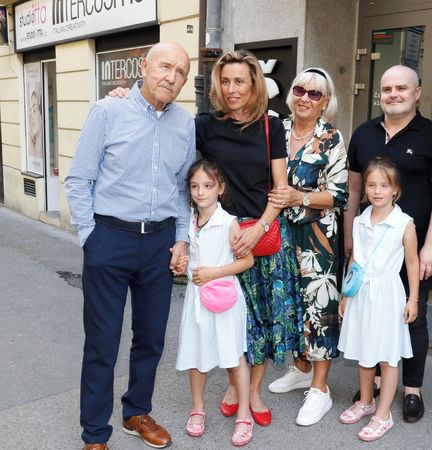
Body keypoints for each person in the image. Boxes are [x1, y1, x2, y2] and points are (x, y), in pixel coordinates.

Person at [65, 42, 195, 450]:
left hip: (159, 244)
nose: (171, 77)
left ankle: (136, 412)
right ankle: (94, 433)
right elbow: (78, 179)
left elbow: (182, 190)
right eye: (165, 66)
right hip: (110, 238)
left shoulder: (185, 123)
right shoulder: (107, 111)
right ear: (144, 66)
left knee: (151, 337)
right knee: (102, 342)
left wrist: (181, 239)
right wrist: (90, 238)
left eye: (181, 72)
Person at [196, 49, 303, 427]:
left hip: (264, 232)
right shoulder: (206, 126)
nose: (232, 88)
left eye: (239, 80)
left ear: (254, 83)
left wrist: (257, 227)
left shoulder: (271, 126)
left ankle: (253, 391)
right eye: (225, 81)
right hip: (222, 236)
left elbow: (281, 189)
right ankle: (233, 384)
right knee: (229, 318)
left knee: (265, 320)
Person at [344, 65, 432, 422]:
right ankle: (376, 382)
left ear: (417, 93)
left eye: (401, 88)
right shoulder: (363, 134)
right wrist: (349, 237)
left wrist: (431, 244)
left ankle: (412, 389)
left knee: (413, 317)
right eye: (387, 88)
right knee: (371, 312)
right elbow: (354, 190)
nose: (393, 94)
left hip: (412, 248)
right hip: (371, 245)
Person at [266, 68, 348, 426]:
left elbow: (339, 194)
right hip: (279, 232)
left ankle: (320, 388)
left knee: (319, 306)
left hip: (317, 237)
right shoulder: (276, 129)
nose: (305, 98)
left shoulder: (330, 137)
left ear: (325, 102)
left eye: (315, 94)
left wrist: (299, 197)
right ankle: (300, 368)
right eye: (300, 90)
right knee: (291, 302)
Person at [338, 156, 419, 442]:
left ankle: (383, 415)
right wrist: (346, 295)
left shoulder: (404, 224)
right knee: (364, 351)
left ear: (395, 189)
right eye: (371, 185)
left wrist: (413, 299)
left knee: (387, 357)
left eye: (384, 185)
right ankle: (366, 401)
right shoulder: (360, 221)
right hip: (362, 293)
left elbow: (412, 262)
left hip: (387, 295)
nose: (377, 191)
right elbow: (355, 261)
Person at [174, 159, 255, 446]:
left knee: (234, 356)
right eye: (195, 186)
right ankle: (198, 409)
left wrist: (214, 273)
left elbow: (247, 260)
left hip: (225, 299)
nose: (200, 192)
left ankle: (244, 414)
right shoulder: (188, 223)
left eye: (207, 186)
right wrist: (181, 266)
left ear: (220, 188)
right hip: (196, 300)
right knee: (197, 355)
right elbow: (188, 262)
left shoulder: (229, 222)